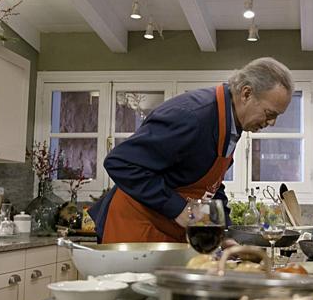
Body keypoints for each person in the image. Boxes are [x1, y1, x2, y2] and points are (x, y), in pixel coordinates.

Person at [89, 57, 294, 244]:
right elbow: (120, 162)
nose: (272, 122)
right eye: (269, 113)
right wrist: (178, 208)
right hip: (133, 226)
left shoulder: (231, 124)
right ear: (246, 94)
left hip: (167, 231)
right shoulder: (193, 117)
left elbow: (209, 187)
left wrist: (223, 232)